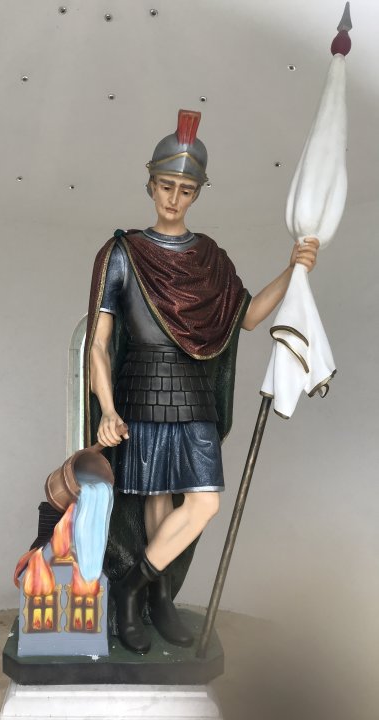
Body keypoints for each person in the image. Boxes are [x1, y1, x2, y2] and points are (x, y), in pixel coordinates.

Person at [84, 109, 318, 654]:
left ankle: (131, 588)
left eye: (186, 189)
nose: (174, 198)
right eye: (166, 185)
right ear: (150, 184)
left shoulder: (209, 257)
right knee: (156, 500)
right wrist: (108, 409)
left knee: (204, 501)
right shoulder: (122, 253)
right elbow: (98, 343)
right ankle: (159, 599)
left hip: (193, 391)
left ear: (196, 194)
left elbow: (249, 317)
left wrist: (294, 270)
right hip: (142, 388)